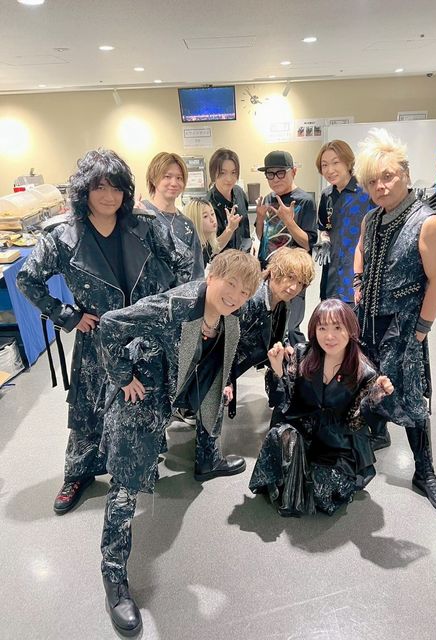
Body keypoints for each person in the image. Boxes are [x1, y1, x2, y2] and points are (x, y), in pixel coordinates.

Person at [16, 148, 194, 515]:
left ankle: (137, 465)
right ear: (84, 190)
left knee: (142, 401)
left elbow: (182, 261)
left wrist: (161, 307)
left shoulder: (143, 225)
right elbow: (28, 280)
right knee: (89, 409)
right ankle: (78, 473)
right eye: (100, 187)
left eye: (116, 187)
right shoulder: (62, 236)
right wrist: (68, 315)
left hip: (143, 337)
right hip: (97, 337)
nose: (109, 196)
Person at [98, 250, 261, 636]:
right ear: (212, 275)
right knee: (126, 489)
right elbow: (110, 323)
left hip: (175, 391)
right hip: (140, 401)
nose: (236, 296)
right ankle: (114, 576)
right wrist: (122, 376)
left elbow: (216, 353)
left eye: (244, 291)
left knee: (213, 408)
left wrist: (224, 381)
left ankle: (208, 461)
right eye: (231, 284)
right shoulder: (173, 306)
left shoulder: (229, 315)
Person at [353, 128, 436, 516]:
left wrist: (422, 330)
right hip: (368, 322)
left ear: (406, 175)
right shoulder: (371, 218)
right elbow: (360, 250)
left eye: (388, 176)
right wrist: (358, 282)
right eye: (372, 181)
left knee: (412, 397)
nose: (380, 186)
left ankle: (424, 472)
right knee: (367, 382)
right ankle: (375, 438)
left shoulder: (428, 223)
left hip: (406, 326)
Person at [249, 299, 393, 517]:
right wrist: (278, 369)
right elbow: (286, 402)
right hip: (303, 430)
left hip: (337, 443)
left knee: (321, 489)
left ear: (350, 330)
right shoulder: (302, 354)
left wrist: (375, 398)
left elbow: (354, 424)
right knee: (282, 436)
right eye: (322, 328)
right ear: (314, 330)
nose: (329, 336)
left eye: (337, 327)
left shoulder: (364, 373)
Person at [227, 247, 316, 418]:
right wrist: (226, 381)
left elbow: (278, 332)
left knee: (296, 361)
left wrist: (285, 346)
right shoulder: (251, 299)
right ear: (274, 272)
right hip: (225, 363)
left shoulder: (283, 300)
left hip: (257, 353)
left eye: (300, 283)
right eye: (290, 278)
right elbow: (226, 343)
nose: (294, 287)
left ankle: (283, 406)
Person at [255, 150, 317, 344]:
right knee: (268, 323)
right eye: (270, 174)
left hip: (293, 275)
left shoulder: (305, 201)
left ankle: (295, 359)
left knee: (290, 327)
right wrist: (260, 218)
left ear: (294, 171)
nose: (275, 179)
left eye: (280, 172)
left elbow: (308, 242)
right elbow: (262, 237)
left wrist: (289, 221)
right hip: (270, 272)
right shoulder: (268, 199)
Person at [315, 140, 371, 303]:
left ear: (348, 162)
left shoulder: (366, 192)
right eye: (324, 165)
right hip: (331, 276)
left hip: (357, 276)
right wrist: (325, 241)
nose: (330, 170)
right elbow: (325, 228)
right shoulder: (326, 195)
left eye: (335, 162)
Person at [141, 151, 204, 278]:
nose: (174, 183)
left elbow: (197, 271)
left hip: (182, 290)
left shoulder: (187, 225)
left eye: (179, 178)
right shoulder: (142, 213)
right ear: (153, 179)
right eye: (167, 176)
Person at [206, 147, 252, 253]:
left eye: (233, 172)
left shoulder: (239, 193)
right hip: (221, 261)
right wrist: (229, 230)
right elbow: (209, 250)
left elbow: (245, 230)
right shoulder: (207, 205)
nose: (229, 179)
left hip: (243, 257)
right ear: (213, 173)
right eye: (223, 173)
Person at [183, 197, 244, 269]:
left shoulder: (204, 244)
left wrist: (230, 228)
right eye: (205, 216)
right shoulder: (190, 252)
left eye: (212, 214)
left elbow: (216, 247)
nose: (212, 219)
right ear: (194, 220)